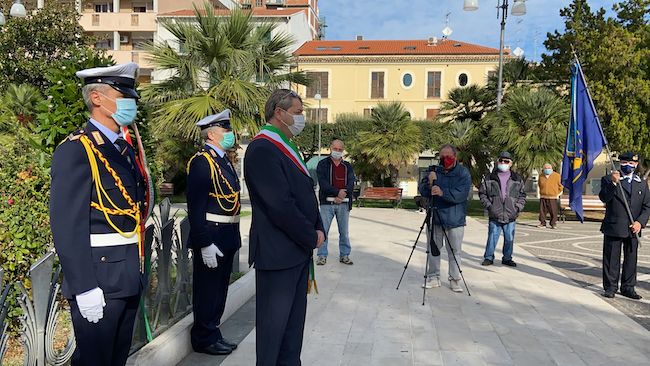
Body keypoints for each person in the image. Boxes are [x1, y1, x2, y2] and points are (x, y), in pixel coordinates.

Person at [50, 62, 148, 366]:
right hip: (99, 278)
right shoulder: (77, 149)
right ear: (97, 99)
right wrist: (84, 287)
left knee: (116, 359)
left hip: (128, 274)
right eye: (122, 95)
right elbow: (67, 226)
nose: (129, 102)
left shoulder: (124, 148)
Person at [244, 89, 325, 366]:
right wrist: (310, 234)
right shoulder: (262, 148)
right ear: (279, 113)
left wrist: (319, 226)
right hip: (278, 253)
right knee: (273, 332)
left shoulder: (286, 146)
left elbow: (305, 192)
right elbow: (280, 204)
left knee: (292, 331)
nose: (302, 118)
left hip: (296, 251)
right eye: (298, 112)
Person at [186, 110, 241, 355]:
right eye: (226, 130)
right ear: (212, 134)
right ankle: (202, 338)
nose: (230, 134)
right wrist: (204, 242)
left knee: (220, 290)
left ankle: (213, 332)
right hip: (213, 234)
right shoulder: (202, 161)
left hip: (227, 233)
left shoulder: (223, 160)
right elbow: (195, 206)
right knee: (207, 290)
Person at [418, 144, 471, 292]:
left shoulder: (463, 173)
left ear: (455, 157)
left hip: (455, 219)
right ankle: (433, 277)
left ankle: (454, 279)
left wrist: (443, 192)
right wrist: (429, 183)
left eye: (448, 157)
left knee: (454, 251)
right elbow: (423, 190)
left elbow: (461, 193)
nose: (445, 159)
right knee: (433, 249)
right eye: (442, 157)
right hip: (435, 217)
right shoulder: (434, 170)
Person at [599, 152, 650, 299]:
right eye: (625, 163)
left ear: (636, 165)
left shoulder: (641, 183)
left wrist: (640, 222)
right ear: (620, 163)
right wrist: (614, 183)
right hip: (614, 225)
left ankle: (628, 287)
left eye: (632, 164)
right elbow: (604, 197)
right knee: (611, 258)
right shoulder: (608, 179)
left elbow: (647, 206)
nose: (629, 166)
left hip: (633, 228)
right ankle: (610, 287)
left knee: (631, 260)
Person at [479, 152, 526, 267]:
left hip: (511, 213)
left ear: (510, 164)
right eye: (501, 160)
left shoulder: (517, 179)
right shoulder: (490, 178)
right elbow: (482, 194)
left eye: (506, 161)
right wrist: (490, 206)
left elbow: (522, 195)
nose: (503, 163)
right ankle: (488, 257)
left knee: (509, 237)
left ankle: (507, 258)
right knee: (492, 236)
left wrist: (517, 207)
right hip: (495, 213)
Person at [316, 139, 355, 265]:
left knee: (344, 232)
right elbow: (323, 183)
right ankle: (322, 256)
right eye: (335, 149)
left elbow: (351, 182)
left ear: (342, 151)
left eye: (340, 150)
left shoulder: (347, 166)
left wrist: (342, 195)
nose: (337, 152)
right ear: (330, 149)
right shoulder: (322, 164)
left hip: (344, 204)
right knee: (324, 230)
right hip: (327, 203)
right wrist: (337, 193)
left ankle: (344, 255)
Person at [537, 163, 563, 229]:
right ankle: (542, 223)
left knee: (553, 211)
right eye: (546, 168)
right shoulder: (541, 176)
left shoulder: (557, 176)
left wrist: (556, 192)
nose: (547, 170)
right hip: (543, 196)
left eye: (549, 168)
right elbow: (539, 184)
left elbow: (561, 186)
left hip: (552, 197)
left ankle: (553, 223)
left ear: (551, 169)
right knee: (542, 211)